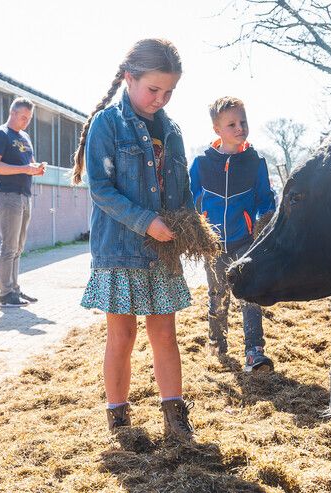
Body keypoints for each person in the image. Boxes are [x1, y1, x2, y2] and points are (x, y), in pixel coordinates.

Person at [72, 38, 195, 440]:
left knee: (165, 334)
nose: (161, 98)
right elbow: (101, 190)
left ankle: (175, 416)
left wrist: (192, 226)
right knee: (122, 336)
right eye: (153, 89)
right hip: (121, 250)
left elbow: (182, 188)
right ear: (129, 78)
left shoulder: (172, 131)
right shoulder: (107, 124)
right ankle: (118, 418)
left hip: (162, 251)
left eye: (169, 91)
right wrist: (146, 222)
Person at [189, 96, 276, 373]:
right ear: (217, 129)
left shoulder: (255, 162)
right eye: (232, 124)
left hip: (245, 242)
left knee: (249, 295)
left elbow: (265, 198)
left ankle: (254, 352)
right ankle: (217, 344)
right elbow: (190, 198)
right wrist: (193, 226)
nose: (240, 128)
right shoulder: (203, 163)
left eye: (243, 122)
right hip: (213, 245)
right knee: (217, 296)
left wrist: (263, 218)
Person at [0, 97, 46, 308]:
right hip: (8, 195)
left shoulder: (25, 137)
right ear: (12, 113)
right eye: (23, 117)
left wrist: (36, 168)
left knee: (18, 247)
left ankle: (14, 289)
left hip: (25, 195)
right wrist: (24, 169)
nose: (26, 122)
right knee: (9, 246)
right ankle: (5, 295)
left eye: (29, 118)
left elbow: (27, 164)